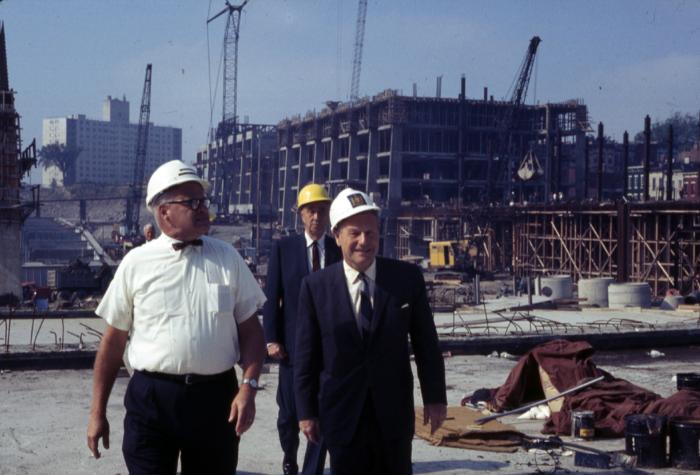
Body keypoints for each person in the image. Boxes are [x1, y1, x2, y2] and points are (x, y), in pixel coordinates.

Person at [86, 160, 266, 474]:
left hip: (215, 401)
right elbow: (113, 344)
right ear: (163, 211)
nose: (202, 209)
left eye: (204, 202)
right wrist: (96, 412)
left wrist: (248, 388)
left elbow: (251, 332)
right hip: (151, 401)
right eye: (191, 202)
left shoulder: (227, 259)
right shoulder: (136, 263)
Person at [294, 188, 447, 475]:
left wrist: (435, 398)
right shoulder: (315, 288)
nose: (364, 241)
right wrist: (306, 412)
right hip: (341, 417)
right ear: (337, 236)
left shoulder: (406, 279)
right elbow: (306, 357)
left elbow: (427, 344)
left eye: (371, 232)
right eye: (355, 233)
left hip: (394, 416)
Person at [263, 183, 341, 475]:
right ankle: (289, 456)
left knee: (320, 414)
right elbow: (272, 297)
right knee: (288, 415)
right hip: (292, 349)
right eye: (311, 211)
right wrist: (272, 339)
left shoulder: (337, 249)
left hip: (327, 351)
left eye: (322, 211)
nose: (317, 217)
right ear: (300, 214)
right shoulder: (284, 249)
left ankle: (312, 470)